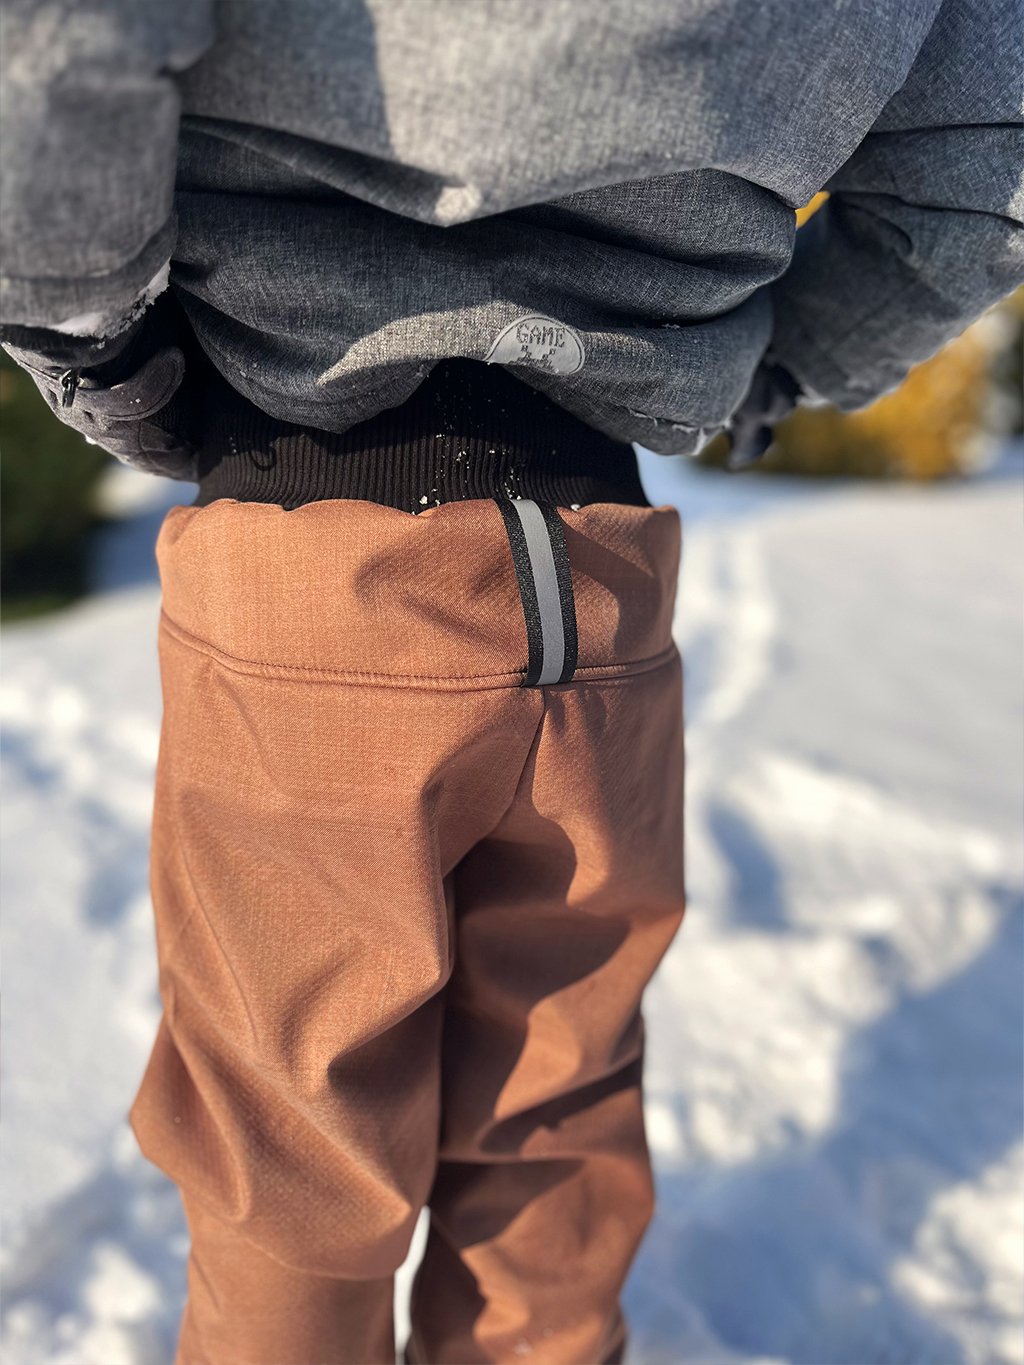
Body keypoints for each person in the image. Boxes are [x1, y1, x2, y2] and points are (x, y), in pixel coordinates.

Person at [1, 2, 1021, 1361]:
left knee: (289, 1148)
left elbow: (59, 43)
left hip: (306, 554)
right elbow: (986, 153)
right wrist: (759, 357)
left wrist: (97, 343)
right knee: (557, 1107)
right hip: (599, 583)